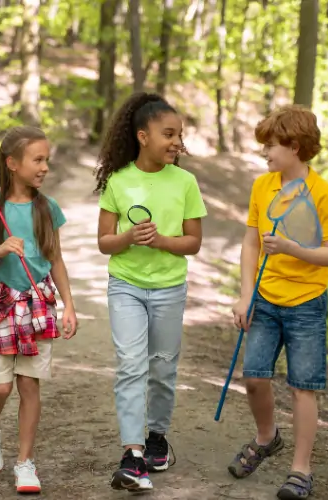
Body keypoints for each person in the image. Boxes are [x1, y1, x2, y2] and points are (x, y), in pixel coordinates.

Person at [228, 105, 328, 500]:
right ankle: (267, 438)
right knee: (254, 378)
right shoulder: (263, 186)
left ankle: (301, 470)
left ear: (294, 147)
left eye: (271, 146)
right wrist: (245, 295)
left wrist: (294, 248)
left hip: (307, 304)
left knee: (302, 387)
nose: (265, 154)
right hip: (265, 299)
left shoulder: (324, 195)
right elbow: (250, 242)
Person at [94, 92, 208, 492]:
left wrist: (160, 241)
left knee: (162, 367)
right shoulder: (119, 182)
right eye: (169, 134)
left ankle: (157, 436)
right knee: (131, 365)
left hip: (168, 289)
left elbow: (193, 243)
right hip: (125, 285)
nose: (177, 142)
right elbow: (105, 243)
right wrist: (128, 236)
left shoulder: (186, 182)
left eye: (179, 135)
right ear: (143, 136)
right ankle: (132, 454)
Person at [0, 125, 78, 494]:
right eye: (37, 159)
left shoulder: (48, 208)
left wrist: (69, 306)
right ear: (12, 163)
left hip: (37, 302)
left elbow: (55, 259)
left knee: (29, 385)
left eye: (47, 160)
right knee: (0, 387)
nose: (44, 167)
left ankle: (25, 463)